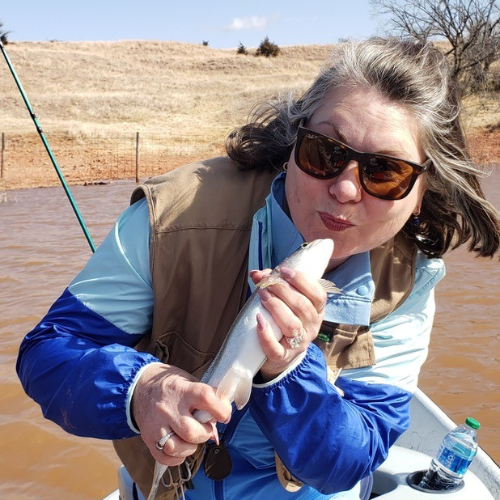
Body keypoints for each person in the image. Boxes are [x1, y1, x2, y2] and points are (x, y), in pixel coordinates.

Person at [17, 37, 499, 500]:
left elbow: (350, 459)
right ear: (293, 143)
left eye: (385, 172)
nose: (346, 190)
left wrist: (290, 368)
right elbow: (49, 353)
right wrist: (140, 389)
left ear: (421, 194)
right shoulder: (176, 215)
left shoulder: (409, 283)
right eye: (325, 152)